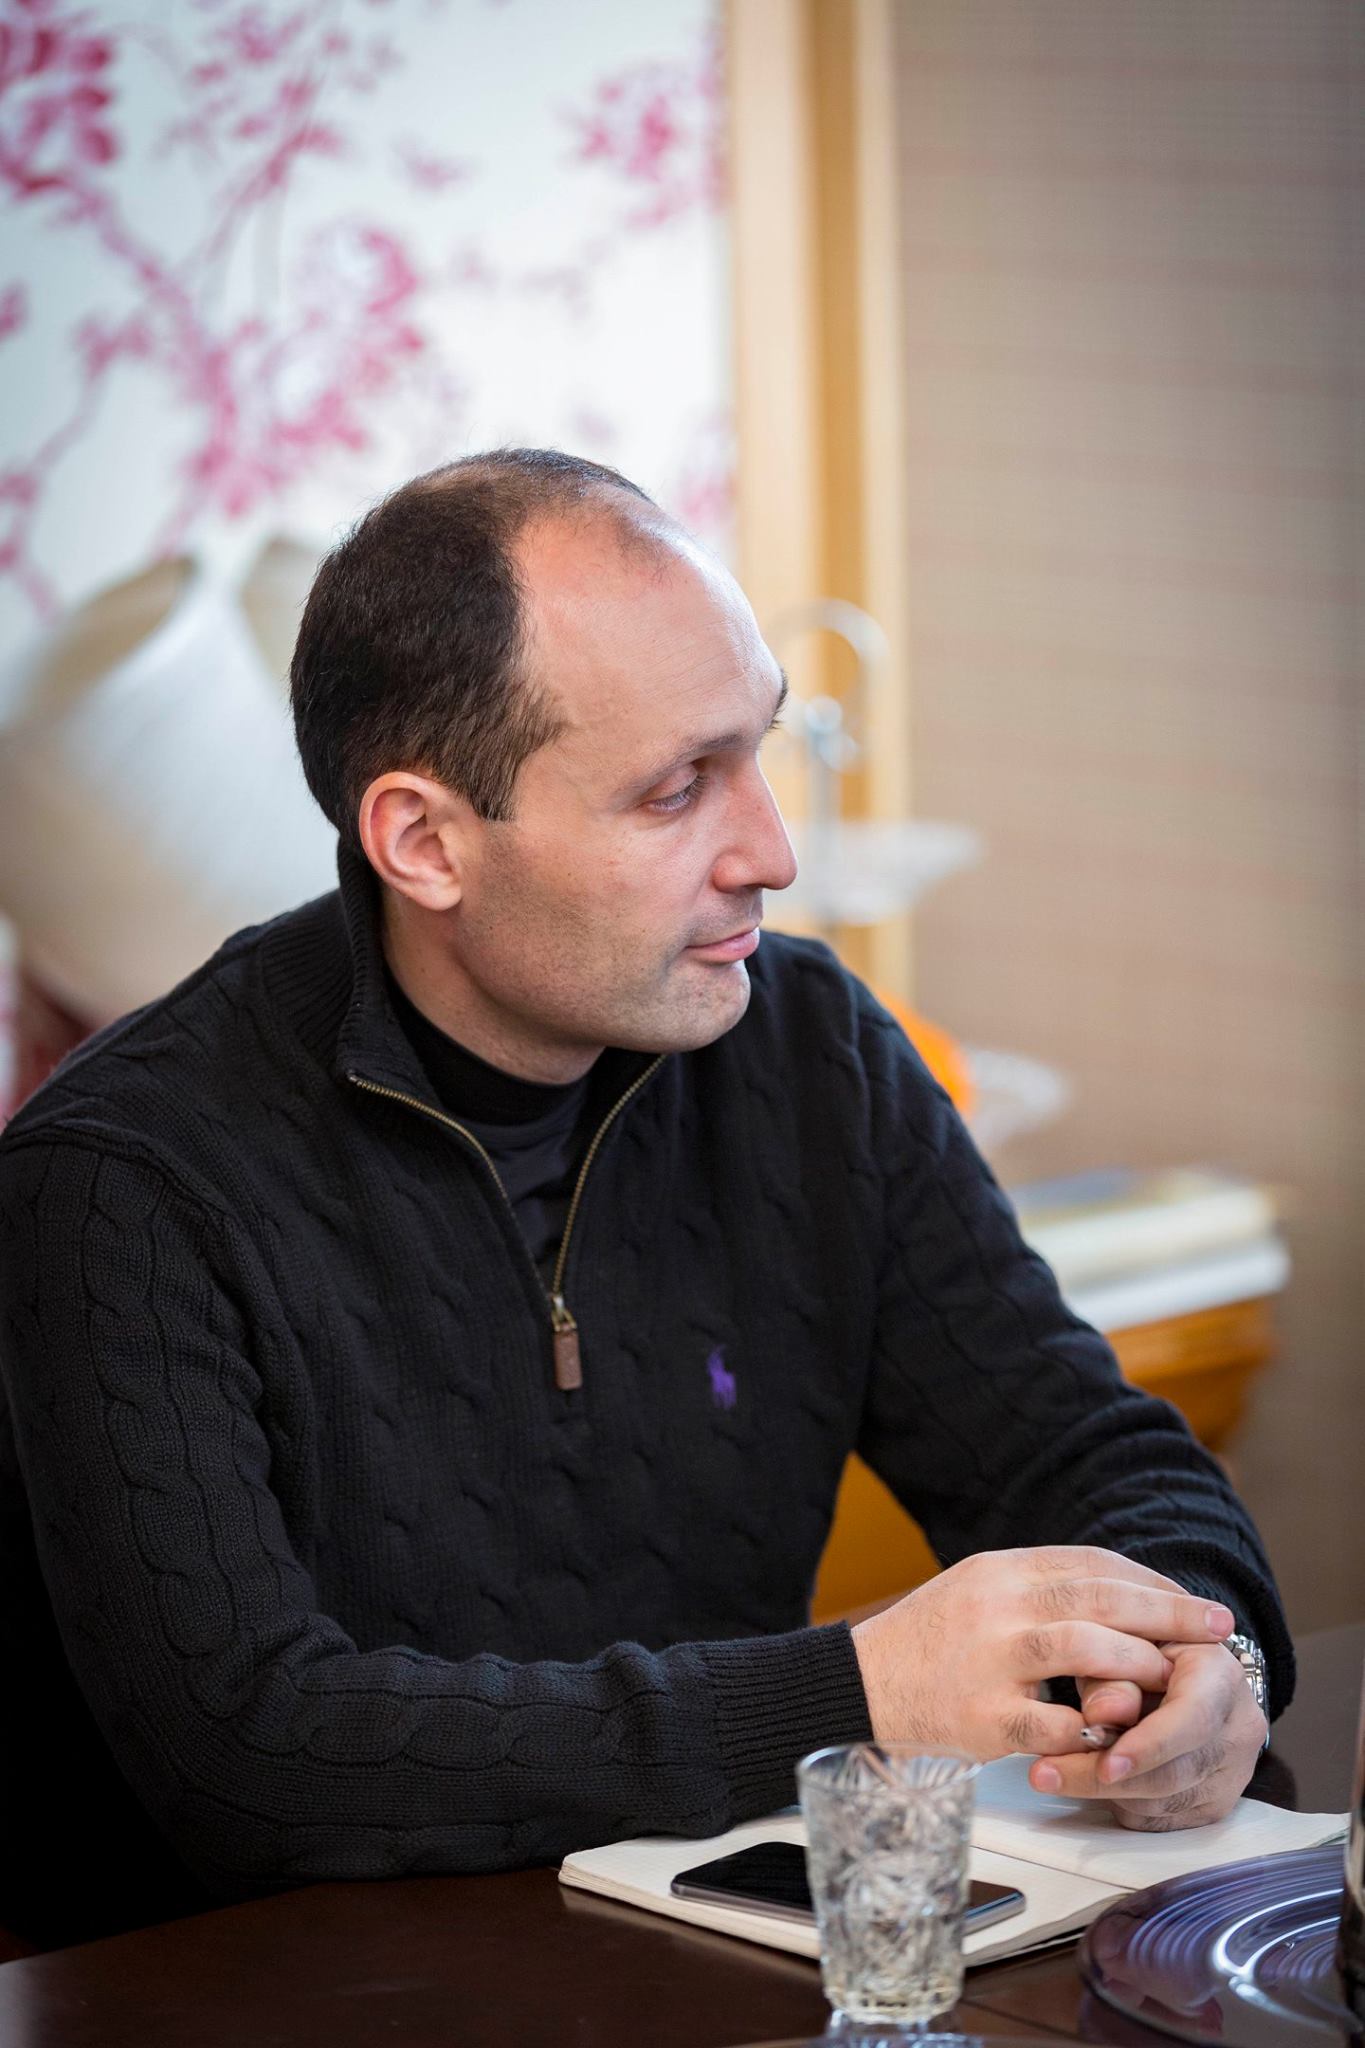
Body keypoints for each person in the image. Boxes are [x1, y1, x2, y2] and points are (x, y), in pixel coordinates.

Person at [0, 450, 1288, 1950]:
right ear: (424, 841)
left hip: (699, 1953)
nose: (771, 853)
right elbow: (255, 1756)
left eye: (758, 750)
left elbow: (1086, 1453)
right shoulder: (121, 1185)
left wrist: (1211, 1657)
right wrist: (858, 1690)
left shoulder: (809, 1051)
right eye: (677, 789)